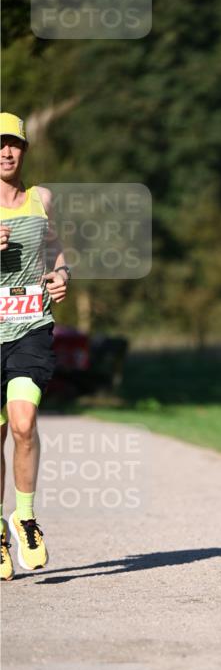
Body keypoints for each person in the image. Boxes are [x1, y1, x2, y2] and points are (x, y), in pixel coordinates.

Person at [0, 112, 71, 580]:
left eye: (13, 144)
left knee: (23, 424)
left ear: (25, 150)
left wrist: (62, 274)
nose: (6, 152)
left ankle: (25, 517)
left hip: (30, 325)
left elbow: (57, 247)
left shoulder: (40, 199)